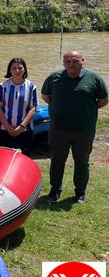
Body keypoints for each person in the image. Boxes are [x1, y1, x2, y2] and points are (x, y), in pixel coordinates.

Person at [41, 50, 108, 204]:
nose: (71, 64)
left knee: (82, 162)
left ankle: (80, 192)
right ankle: (55, 190)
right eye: (68, 61)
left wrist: (86, 110)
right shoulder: (54, 78)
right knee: (57, 161)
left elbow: (103, 100)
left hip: (84, 130)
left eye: (75, 61)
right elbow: (46, 96)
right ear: (64, 62)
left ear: (83, 61)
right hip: (58, 129)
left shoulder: (94, 78)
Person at [0, 58, 38, 156]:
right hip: (5, 130)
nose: (17, 71)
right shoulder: (3, 86)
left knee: (22, 159)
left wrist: (21, 127)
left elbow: (33, 109)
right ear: (10, 70)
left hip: (25, 131)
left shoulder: (31, 87)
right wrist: (8, 127)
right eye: (14, 68)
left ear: (25, 69)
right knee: (3, 159)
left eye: (20, 68)